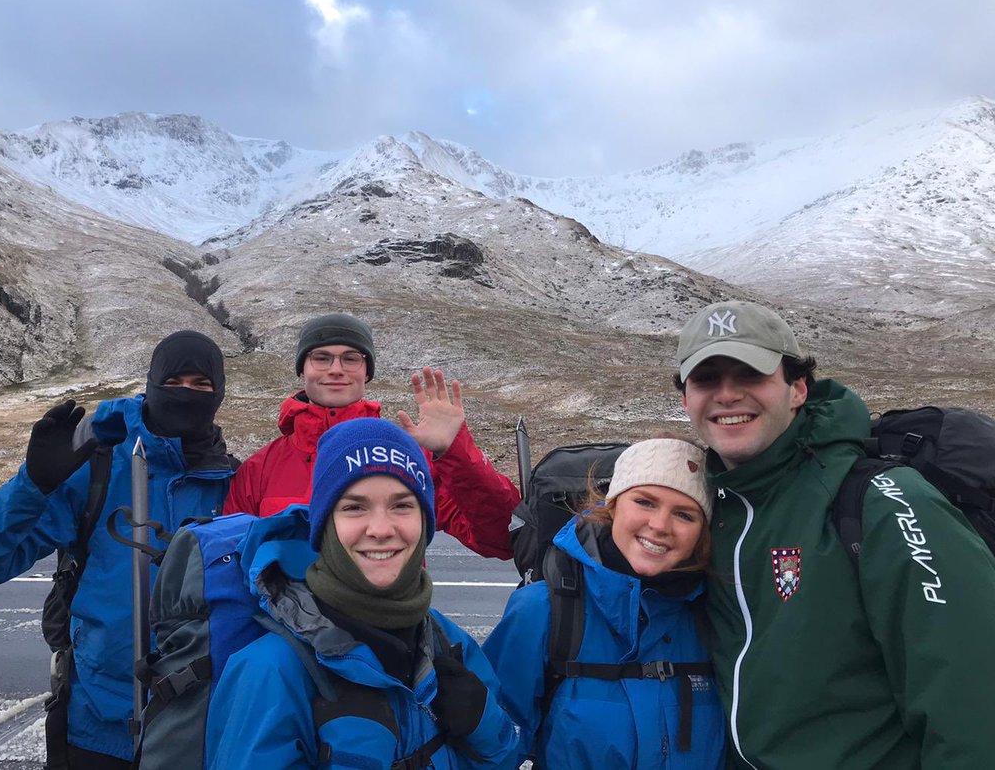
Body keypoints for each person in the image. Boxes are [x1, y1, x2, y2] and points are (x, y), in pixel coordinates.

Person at [674, 299, 995, 769]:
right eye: (707, 380)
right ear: (686, 398)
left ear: (797, 389)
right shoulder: (708, 509)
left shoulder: (882, 501)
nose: (727, 395)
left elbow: (976, 702)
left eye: (750, 375)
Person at [0, 330, 238, 769]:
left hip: (198, 727)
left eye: (201, 385)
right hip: (98, 725)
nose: (186, 395)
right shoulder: (97, 469)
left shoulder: (233, 483)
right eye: (174, 382)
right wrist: (33, 484)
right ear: (152, 383)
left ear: (218, 395)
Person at [206, 417, 518, 769]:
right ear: (325, 525)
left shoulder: (450, 642)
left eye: (402, 505)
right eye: (354, 507)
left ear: (426, 522)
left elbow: (506, 756)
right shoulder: (271, 670)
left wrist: (485, 727)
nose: (381, 529)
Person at [484, 437, 725, 769]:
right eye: (645, 502)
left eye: (684, 515)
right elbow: (492, 747)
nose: (659, 526)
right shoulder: (543, 610)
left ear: (703, 532)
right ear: (611, 505)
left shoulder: (718, 614)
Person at [224, 312, 520, 558]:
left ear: (367, 371)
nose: (336, 370)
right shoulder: (259, 469)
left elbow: (502, 539)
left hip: (389, 626)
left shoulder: (405, 456)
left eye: (351, 358)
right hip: (284, 625)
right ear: (303, 370)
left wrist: (453, 451)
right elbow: (231, 559)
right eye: (322, 358)